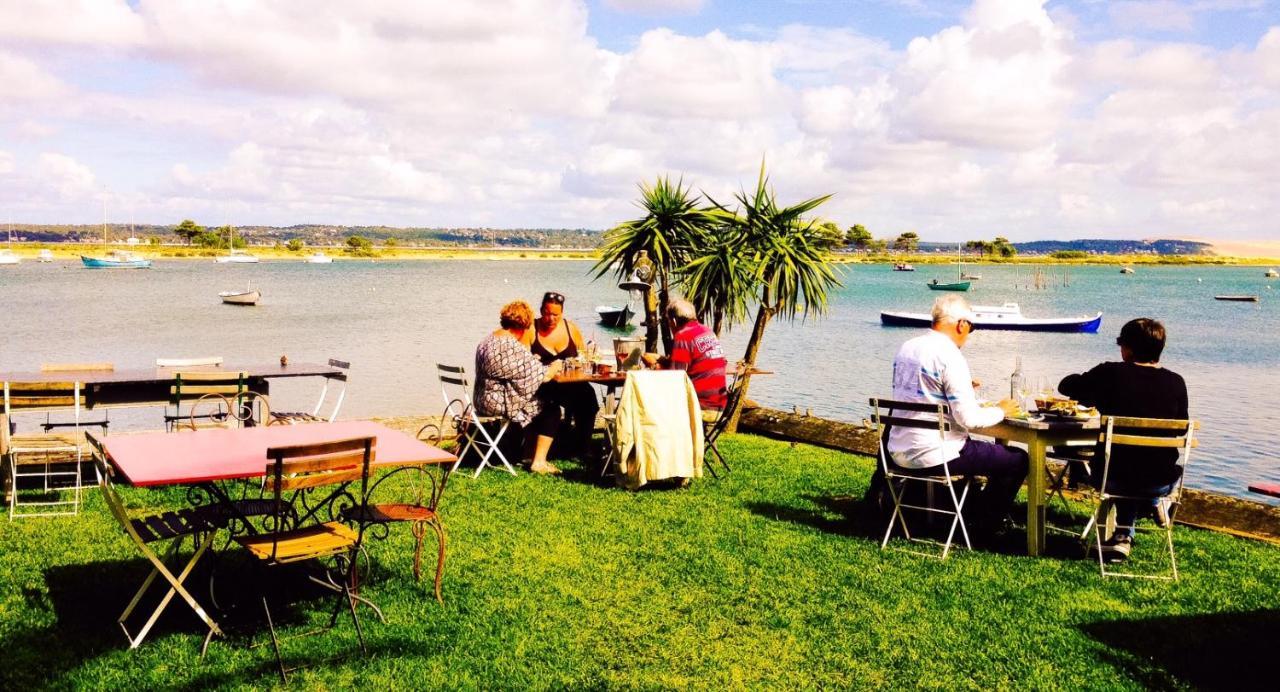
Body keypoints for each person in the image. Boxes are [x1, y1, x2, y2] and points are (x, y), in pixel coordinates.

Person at [886, 294, 1027, 534]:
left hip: (897, 451)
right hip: (935, 454)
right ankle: (984, 524)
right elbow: (968, 420)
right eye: (970, 328)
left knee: (984, 451)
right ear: (962, 324)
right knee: (1018, 460)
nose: (968, 335)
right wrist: (1001, 410)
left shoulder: (907, 347)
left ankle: (970, 513)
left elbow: (918, 394)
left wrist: (961, 391)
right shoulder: (950, 355)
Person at [1058, 318, 1188, 562]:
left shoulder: (1110, 374)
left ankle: (1124, 534)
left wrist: (1092, 391)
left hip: (1112, 477)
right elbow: (1180, 430)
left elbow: (1066, 386)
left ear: (1127, 348)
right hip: (1160, 480)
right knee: (1136, 460)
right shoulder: (1176, 382)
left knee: (1120, 463)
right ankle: (1144, 512)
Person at [474, 300, 564, 474]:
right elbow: (543, 376)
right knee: (550, 408)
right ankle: (539, 462)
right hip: (496, 403)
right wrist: (555, 366)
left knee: (534, 400)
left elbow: (512, 370)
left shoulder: (489, 339)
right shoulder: (510, 346)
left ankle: (527, 454)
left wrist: (531, 361)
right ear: (524, 325)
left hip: (481, 399)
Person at [530, 291, 600, 456]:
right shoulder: (532, 329)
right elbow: (524, 361)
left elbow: (582, 355)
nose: (551, 319)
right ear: (541, 311)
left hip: (570, 384)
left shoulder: (571, 328)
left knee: (588, 397)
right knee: (550, 404)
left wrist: (582, 361)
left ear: (562, 313)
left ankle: (583, 445)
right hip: (544, 385)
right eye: (547, 314)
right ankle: (563, 442)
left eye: (556, 315)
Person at [641, 298, 728, 412]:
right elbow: (688, 363)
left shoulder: (683, 335)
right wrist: (661, 359)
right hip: (719, 404)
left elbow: (674, 379)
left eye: (669, 322)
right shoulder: (706, 331)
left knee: (648, 402)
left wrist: (654, 366)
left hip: (701, 407)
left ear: (674, 321)